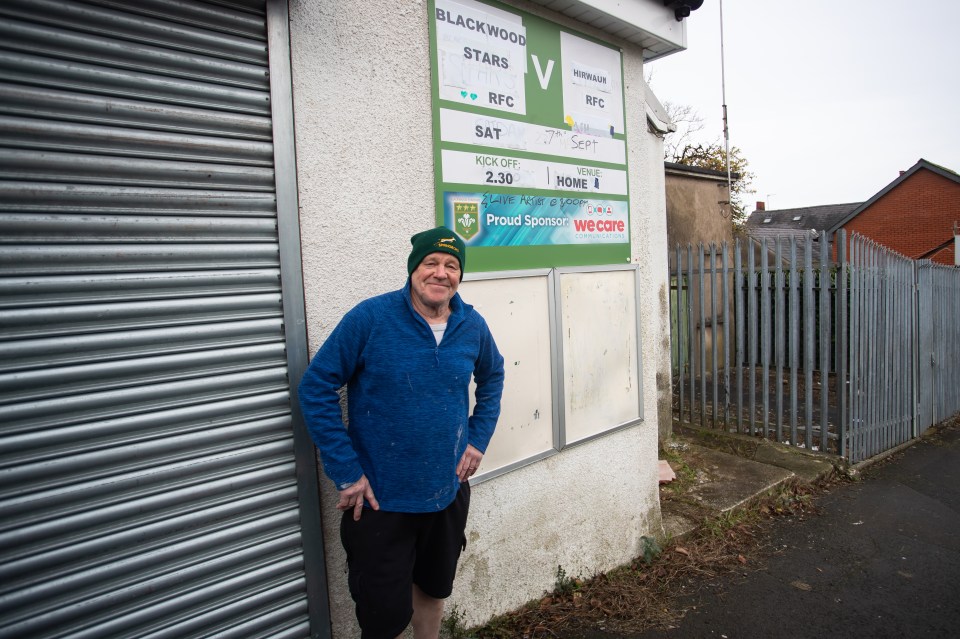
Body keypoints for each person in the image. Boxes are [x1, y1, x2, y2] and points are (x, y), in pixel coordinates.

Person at [298, 226, 505, 639]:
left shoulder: (471, 325)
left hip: (446, 492)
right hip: (380, 502)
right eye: (431, 263)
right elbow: (315, 387)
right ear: (414, 269)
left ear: (459, 276)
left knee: (433, 590)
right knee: (383, 616)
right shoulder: (371, 318)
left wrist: (478, 439)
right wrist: (347, 471)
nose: (440, 273)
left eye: (451, 265)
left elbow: (494, 375)